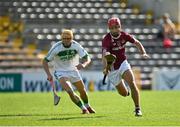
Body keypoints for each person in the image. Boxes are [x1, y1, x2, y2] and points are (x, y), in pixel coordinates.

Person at [102, 17, 150, 117]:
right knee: (123, 93)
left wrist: (143, 53)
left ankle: (137, 109)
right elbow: (104, 54)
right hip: (112, 69)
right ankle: (126, 91)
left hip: (123, 64)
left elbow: (137, 42)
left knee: (132, 83)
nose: (115, 29)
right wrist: (105, 67)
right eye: (112, 28)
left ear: (120, 26)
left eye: (117, 27)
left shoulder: (124, 35)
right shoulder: (106, 39)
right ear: (109, 28)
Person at [42, 29, 95, 114]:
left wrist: (84, 64)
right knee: (70, 91)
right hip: (60, 72)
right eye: (64, 38)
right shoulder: (56, 47)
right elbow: (45, 61)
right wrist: (48, 74)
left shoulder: (76, 45)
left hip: (74, 71)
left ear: (71, 38)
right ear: (61, 38)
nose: (66, 40)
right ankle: (83, 108)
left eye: (68, 38)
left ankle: (88, 106)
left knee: (83, 91)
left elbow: (87, 58)